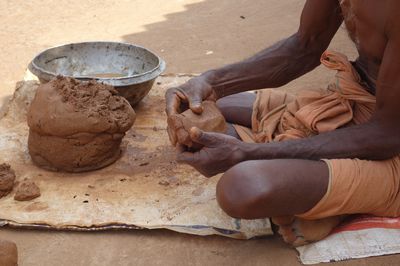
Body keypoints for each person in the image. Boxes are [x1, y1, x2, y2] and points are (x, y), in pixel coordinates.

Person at [165, 0, 400, 246]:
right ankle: (311, 179)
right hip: (357, 105)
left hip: (389, 142)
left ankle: (343, 200)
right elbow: (306, 45)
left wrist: (250, 154)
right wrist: (211, 83)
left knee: (241, 187)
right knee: (206, 112)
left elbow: (387, 134)